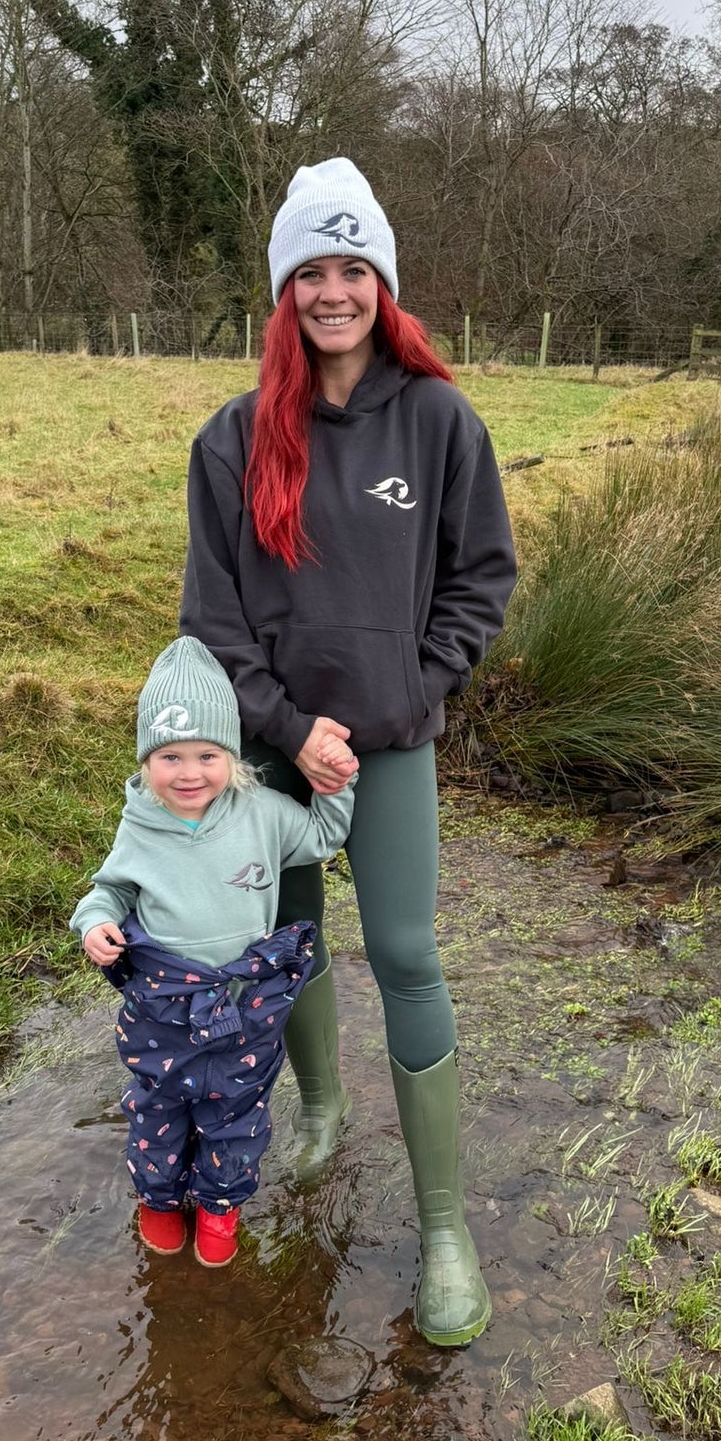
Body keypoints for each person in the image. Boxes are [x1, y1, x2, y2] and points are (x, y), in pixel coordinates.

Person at [180, 158, 517, 1346]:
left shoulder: (436, 421)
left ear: (382, 281)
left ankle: (440, 1228)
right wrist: (285, 725)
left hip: (390, 744)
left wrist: (409, 693)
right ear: (282, 291)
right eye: (309, 272)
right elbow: (212, 620)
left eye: (351, 268)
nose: (332, 291)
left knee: (406, 951)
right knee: (287, 935)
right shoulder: (231, 441)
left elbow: (481, 578)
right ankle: (317, 1112)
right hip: (272, 750)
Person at [71, 636, 355, 1267]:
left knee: (238, 1113)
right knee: (156, 1109)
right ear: (147, 762)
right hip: (161, 1009)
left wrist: (336, 779)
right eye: (170, 756)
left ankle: (221, 1207)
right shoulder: (139, 822)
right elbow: (108, 891)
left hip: (243, 1008)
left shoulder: (263, 813)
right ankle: (161, 1201)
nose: (189, 773)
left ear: (230, 755)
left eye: (206, 754)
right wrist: (92, 926)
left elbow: (323, 835)